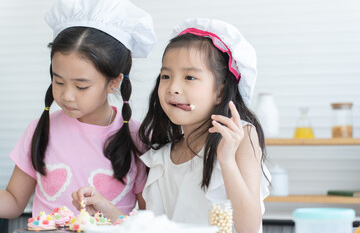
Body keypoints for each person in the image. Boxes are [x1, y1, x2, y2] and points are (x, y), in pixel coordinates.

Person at [73, 18, 271, 233]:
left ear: (220, 91)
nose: (173, 87)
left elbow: (249, 228)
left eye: (190, 77)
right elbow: (150, 229)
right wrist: (105, 207)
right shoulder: (161, 157)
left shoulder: (241, 137)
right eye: (166, 76)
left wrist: (226, 160)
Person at [0, 0, 156, 223]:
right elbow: (13, 201)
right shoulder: (41, 130)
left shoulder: (138, 138)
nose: (66, 95)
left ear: (113, 82)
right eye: (58, 81)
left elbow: (147, 220)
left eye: (81, 86)